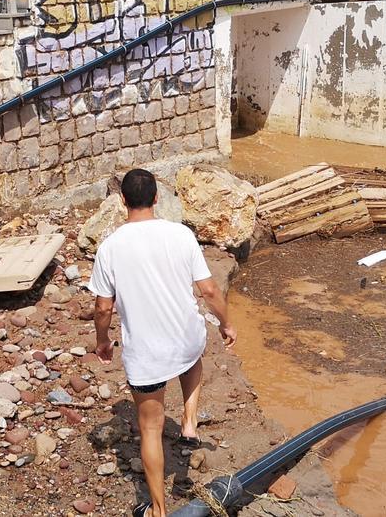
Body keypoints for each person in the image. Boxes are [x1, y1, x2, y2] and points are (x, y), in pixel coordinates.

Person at [90, 169, 236, 517]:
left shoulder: (110, 247)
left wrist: (103, 341)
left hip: (147, 355)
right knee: (191, 353)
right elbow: (210, 290)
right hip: (186, 340)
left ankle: (157, 509)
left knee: (151, 429)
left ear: (122, 200)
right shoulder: (181, 235)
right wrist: (228, 324)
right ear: (157, 198)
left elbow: (102, 307)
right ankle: (188, 421)